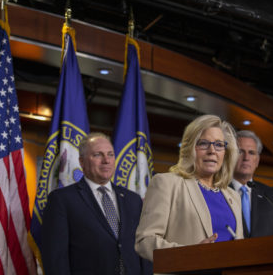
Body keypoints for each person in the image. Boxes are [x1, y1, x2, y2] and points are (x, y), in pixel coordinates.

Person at [135, 114, 243, 262]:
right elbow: (145, 241)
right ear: (190, 148)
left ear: (226, 153)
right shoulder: (166, 183)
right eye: (204, 143)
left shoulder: (233, 196)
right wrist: (190, 254)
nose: (212, 150)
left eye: (219, 145)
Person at [41, 132, 152, 275]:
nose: (106, 160)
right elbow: (55, 258)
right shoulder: (62, 200)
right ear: (82, 162)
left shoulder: (133, 200)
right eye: (98, 155)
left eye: (110, 154)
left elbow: (143, 249)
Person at [231, 130, 273, 238]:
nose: (246, 158)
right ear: (230, 157)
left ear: (257, 160)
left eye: (251, 153)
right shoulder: (217, 191)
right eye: (240, 152)